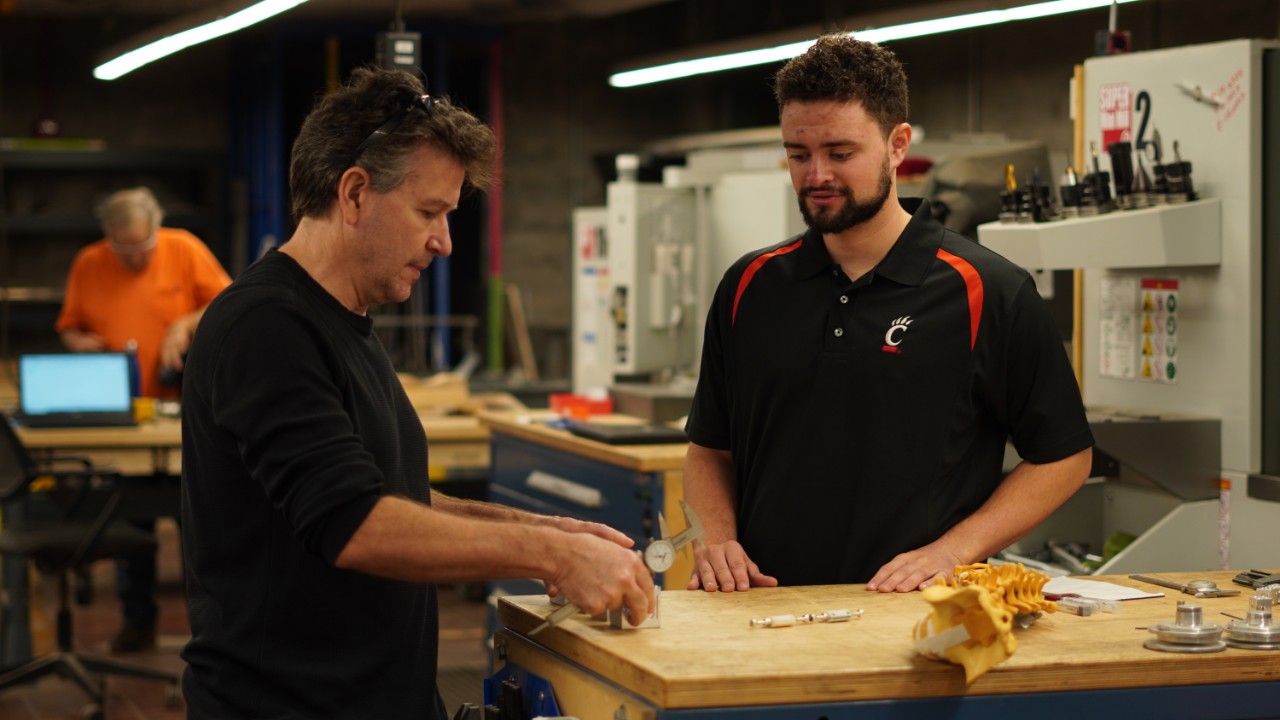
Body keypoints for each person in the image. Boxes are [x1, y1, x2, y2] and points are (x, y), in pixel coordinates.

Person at [179, 66, 654, 719]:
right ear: (354, 194)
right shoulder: (267, 326)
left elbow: (386, 494)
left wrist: (540, 528)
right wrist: (553, 555)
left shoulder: (346, 322)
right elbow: (355, 525)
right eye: (429, 212)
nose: (445, 241)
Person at [682, 34, 1094, 595]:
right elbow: (709, 447)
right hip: (759, 610)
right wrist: (716, 538)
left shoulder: (989, 291)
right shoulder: (749, 286)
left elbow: (1064, 457)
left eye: (840, 153)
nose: (816, 175)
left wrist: (954, 550)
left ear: (898, 145)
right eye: (798, 155)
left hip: (915, 617)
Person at [55, 186, 231, 652]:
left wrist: (185, 323)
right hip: (122, 417)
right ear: (107, 236)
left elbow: (230, 303)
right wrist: (77, 343)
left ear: (157, 228)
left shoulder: (185, 248)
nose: (134, 258)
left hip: (182, 409)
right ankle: (138, 620)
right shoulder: (89, 263)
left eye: (143, 247)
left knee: (202, 520)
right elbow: (69, 325)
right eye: (123, 249)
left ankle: (218, 626)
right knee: (131, 524)